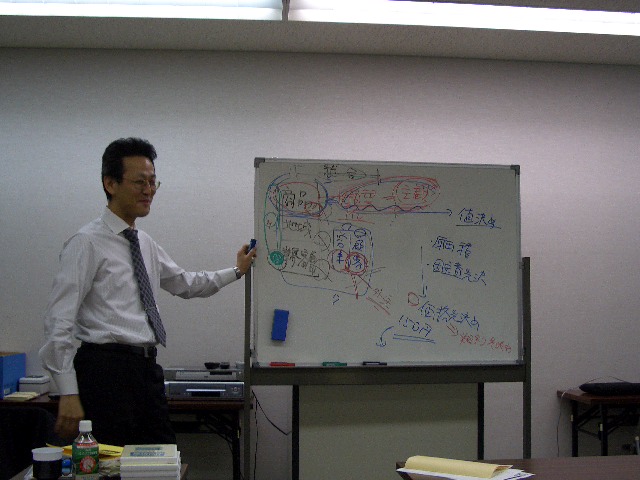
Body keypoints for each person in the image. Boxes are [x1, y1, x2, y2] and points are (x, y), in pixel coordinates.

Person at [39, 137, 256, 446]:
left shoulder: (144, 243)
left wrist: (236, 271)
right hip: (104, 371)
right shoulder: (86, 243)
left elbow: (185, 283)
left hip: (146, 370)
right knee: (111, 461)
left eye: (153, 182)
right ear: (110, 184)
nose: (149, 190)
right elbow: (57, 321)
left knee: (162, 457)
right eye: (140, 182)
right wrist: (68, 391)